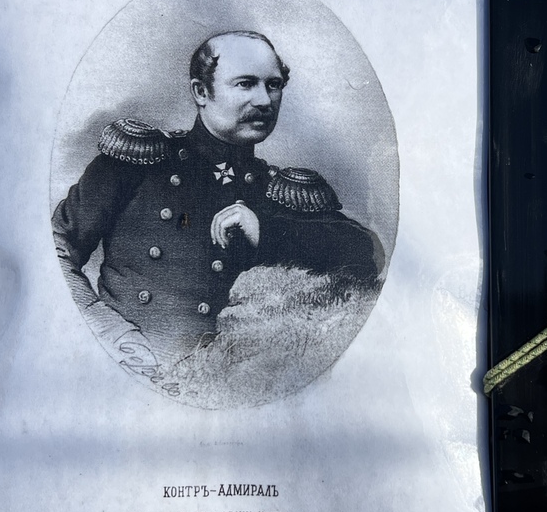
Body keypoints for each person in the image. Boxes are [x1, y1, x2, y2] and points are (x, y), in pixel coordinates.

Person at [53, 30, 385, 362]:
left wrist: (266, 232)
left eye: (273, 85)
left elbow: (369, 253)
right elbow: (56, 251)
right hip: (134, 365)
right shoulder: (138, 163)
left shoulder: (276, 189)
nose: (264, 101)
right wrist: (110, 333)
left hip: (230, 377)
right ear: (201, 92)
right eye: (245, 84)